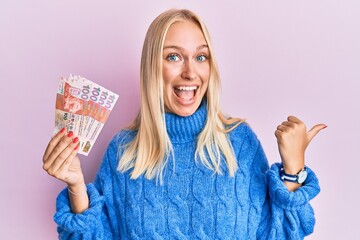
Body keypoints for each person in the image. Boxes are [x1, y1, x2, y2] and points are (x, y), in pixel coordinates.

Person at [42, 9, 326, 239]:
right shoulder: (124, 151)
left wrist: (293, 168)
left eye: (201, 57)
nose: (191, 72)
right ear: (153, 66)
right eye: (174, 57)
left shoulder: (238, 143)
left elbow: (279, 234)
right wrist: (77, 186)